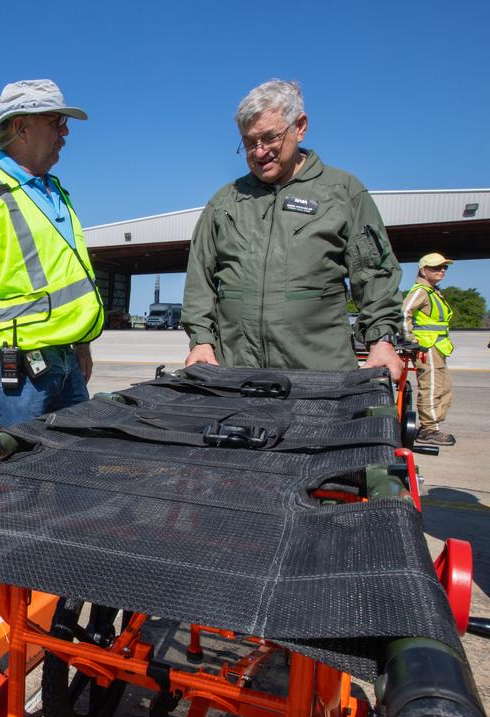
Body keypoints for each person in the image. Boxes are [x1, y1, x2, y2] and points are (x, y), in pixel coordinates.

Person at [182, 79, 405, 376]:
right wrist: (201, 341)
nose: (259, 152)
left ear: (299, 127)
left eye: (269, 138)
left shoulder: (342, 193)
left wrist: (381, 340)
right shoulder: (226, 203)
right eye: (249, 142)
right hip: (236, 374)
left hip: (320, 377)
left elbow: (374, 273)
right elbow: (200, 279)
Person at [0, 78, 103, 429]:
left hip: (64, 360)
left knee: (76, 464)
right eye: (55, 121)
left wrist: (82, 345)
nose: (65, 132)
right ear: (21, 127)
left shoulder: (55, 192)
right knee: (15, 474)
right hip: (17, 370)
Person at [402, 252, 457, 446]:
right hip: (428, 346)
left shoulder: (434, 292)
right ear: (423, 270)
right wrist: (411, 339)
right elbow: (404, 311)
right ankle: (429, 430)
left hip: (439, 346)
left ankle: (432, 426)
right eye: (436, 268)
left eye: (444, 267)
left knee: (444, 388)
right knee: (431, 388)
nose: (441, 271)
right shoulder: (421, 291)